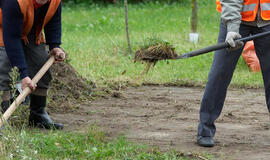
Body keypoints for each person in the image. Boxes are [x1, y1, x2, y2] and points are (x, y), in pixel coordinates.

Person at [197, 0, 270, 147]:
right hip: (236, 21)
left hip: (267, 21)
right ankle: (205, 129)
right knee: (220, 73)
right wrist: (232, 27)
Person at [0, 0, 66, 130]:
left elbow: (53, 21)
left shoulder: (55, 1)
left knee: (40, 61)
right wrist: (23, 74)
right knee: (3, 66)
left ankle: (38, 114)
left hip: (30, 30)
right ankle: (3, 116)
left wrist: (55, 46)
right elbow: (12, 39)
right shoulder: (15, 2)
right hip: (3, 28)